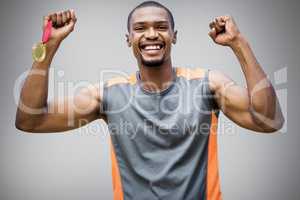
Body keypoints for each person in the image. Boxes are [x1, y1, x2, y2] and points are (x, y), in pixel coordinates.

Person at [15, 1, 284, 200]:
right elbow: (30, 120)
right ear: (129, 39)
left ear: (174, 36)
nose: (152, 34)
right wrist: (48, 49)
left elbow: (269, 121)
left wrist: (238, 43)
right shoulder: (110, 95)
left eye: (161, 27)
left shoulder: (208, 85)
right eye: (141, 28)